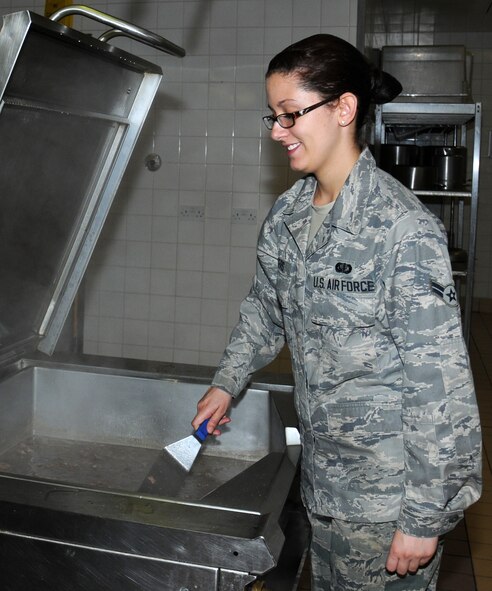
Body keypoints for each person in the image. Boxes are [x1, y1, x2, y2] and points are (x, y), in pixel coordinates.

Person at [192, 34, 482, 590]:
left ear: (343, 108)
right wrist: (226, 382)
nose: (277, 131)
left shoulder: (402, 228)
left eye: (289, 114)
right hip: (324, 484)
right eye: (273, 116)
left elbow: (438, 384)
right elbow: (265, 308)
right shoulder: (289, 215)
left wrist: (424, 519)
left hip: (387, 506)